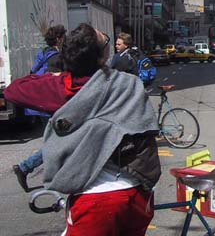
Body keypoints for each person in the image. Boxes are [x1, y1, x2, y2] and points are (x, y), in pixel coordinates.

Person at [4, 23, 161, 235]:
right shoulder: (127, 83)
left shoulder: (63, 87)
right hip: (136, 192)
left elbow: (14, 90)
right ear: (102, 57)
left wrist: (56, 76)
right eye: (106, 41)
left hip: (95, 198)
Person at [12, 24, 67, 192]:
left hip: (39, 104)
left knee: (56, 141)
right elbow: (55, 83)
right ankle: (25, 167)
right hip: (49, 105)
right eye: (63, 36)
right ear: (59, 38)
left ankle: (51, 174)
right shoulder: (56, 57)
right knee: (57, 142)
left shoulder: (42, 54)